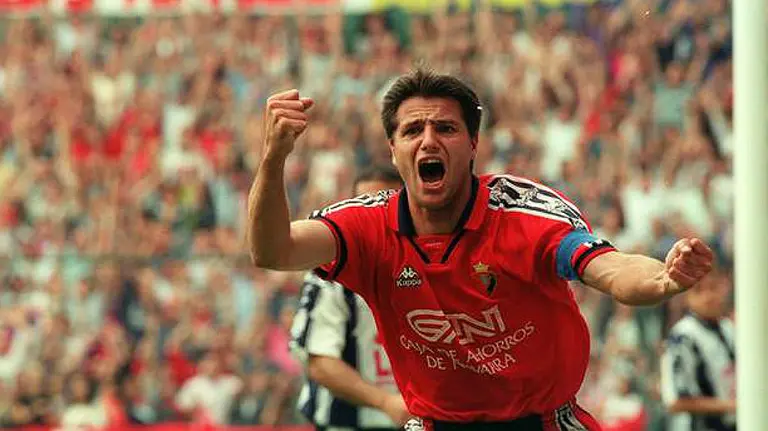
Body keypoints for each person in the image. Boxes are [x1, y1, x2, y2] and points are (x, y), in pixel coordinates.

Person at [247, 68, 714, 430]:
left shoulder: (525, 213)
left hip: (543, 422)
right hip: (434, 423)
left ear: (473, 144)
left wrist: (663, 278)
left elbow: (609, 269)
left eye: (445, 128)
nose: (428, 140)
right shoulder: (366, 225)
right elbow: (272, 251)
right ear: (393, 149)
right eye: (412, 130)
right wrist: (273, 158)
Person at [290, 165, 408, 431]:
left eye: (383, 205)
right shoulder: (331, 275)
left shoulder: (431, 265)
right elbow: (320, 361)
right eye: (363, 204)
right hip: (345, 423)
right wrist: (386, 403)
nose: (373, 214)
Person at [660, 271, 736, 431]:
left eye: (713, 288)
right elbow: (676, 401)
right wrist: (732, 405)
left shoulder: (728, 329)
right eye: (699, 290)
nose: (708, 297)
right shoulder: (684, 336)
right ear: (687, 297)